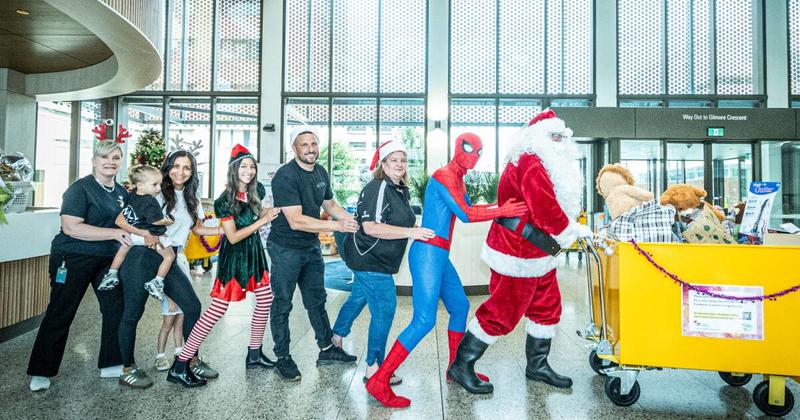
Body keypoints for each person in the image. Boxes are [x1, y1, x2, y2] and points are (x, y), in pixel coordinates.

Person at [365, 132, 528, 408]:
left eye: (479, 151)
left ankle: (456, 368)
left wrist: (503, 207)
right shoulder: (444, 176)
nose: (474, 156)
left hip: (439, 255)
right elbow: (466, 214)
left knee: (460, 306)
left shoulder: (458, 179)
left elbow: (470, 207)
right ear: (458, 148)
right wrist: (503, 210)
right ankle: (379, 380)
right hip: (428, 253)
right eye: (469, 149)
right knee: (424, 320)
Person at [448, 109, 593, 394]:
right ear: (537, 137)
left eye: (561, 137)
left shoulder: (540, 161)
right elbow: (544, 208)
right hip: (518, 252)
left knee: (546, 307)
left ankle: (537, 365)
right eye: (553, 136)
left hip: (538, 251)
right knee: (502, 311)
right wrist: (571, 231)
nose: (559, 142)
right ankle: (461, 365)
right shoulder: (531, 161)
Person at [168, 144, 282, 386]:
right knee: (217, 310)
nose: (249, 171)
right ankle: (180, 364)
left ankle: (254, 354)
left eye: (252, 166)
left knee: (265, 299)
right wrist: (262, 221)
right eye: (244, 167)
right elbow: (233, 237)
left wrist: (271, 211)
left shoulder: (257, 190)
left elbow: (257, 211)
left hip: (255, 256)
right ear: (233, 169)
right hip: (235, 259)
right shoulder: (224, 201)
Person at [27, 140, 131, 392]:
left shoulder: (121, 193)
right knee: (61, 311)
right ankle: (41, 371)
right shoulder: (79, 189)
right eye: (105, 157)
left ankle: (111, 363)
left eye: (116, 158)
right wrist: (113, 233)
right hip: (73, 257)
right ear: (94, 161)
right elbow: (71, 227)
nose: (110, 162)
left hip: (107, 260)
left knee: (115, 307)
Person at [331, 140, 435, 385]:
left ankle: (335, 338)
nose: (399, 164)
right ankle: (374, 367)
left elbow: (398, 220)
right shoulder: (377, 187)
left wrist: (415, 227)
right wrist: (411, 233)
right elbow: (370, 227)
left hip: (378, 259)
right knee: (384, 310)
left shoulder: (399, 189)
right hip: (370, 259)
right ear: (383, 164)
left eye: (403, 160)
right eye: (393, 160)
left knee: (358, 298)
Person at [116, 150, 220, 388]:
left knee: (192, 306)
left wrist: (225, 230)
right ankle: (127, 369)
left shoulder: (192, 196)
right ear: (168, 167)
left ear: (192, 172)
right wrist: (146, 233)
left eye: (186, 167)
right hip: (142, 256)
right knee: (132, 313)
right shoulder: (154, 190)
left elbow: (197, 229)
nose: (180, 172)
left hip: (168, 256)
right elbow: (122, 220)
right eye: (176, 166)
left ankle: (189, 361)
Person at [268, 126, 359, 381]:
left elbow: (329, 204)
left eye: (314, 144)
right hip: (285, 248)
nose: (310, 149)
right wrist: (337, 226)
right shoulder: (285, 176)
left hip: (310, 246)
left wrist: (351, 221)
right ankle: (282, 357)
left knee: (316, 299)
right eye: (304, 144)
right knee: (283, 302)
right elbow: (296, 220)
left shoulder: (320, 171)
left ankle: (327, 348)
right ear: (294, 148)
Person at [97, 165, 175, 302]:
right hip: (153, 236)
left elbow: (126, 214)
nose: (159, 188)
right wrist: (167, 222)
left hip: (134, 235)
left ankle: (112, 273)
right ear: (140, 185)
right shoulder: (150, 201)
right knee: (169, 256)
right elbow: (155, 221)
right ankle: (157, 282)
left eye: (160, 184)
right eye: (155, 184)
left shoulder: (131, 195)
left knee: (123, 249)